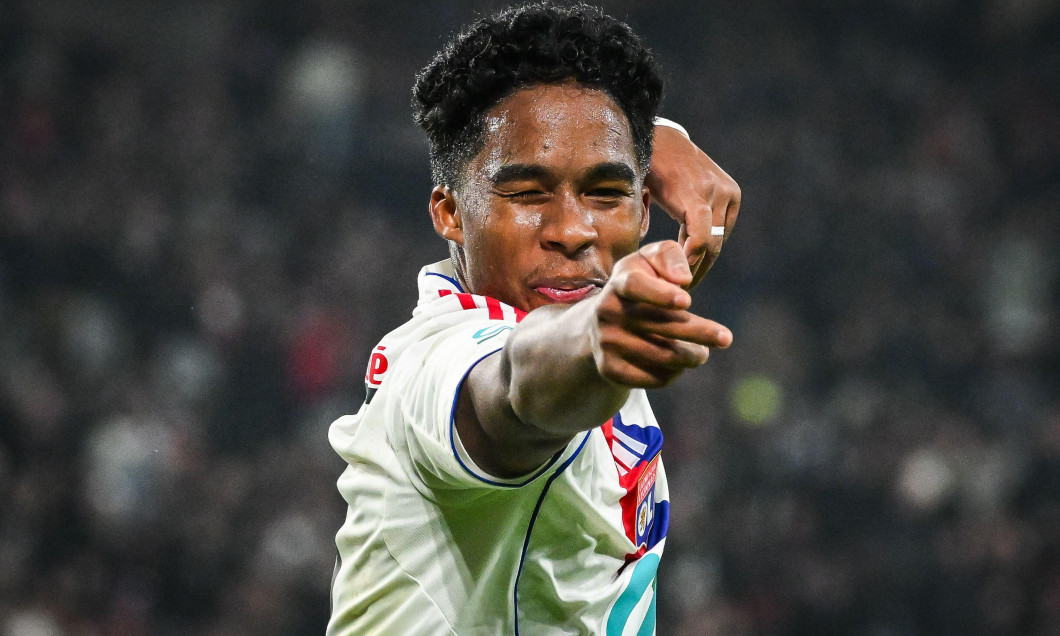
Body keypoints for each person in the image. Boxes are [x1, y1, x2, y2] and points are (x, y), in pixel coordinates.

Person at [327, 3, 740, 634]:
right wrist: (591, 336)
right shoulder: (433, 365)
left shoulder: (592, 291)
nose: (573, 231)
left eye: (606, 192)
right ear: (449, 213)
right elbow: (514, 389)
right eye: (526, 194)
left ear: (646, 208)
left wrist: (655, 135)